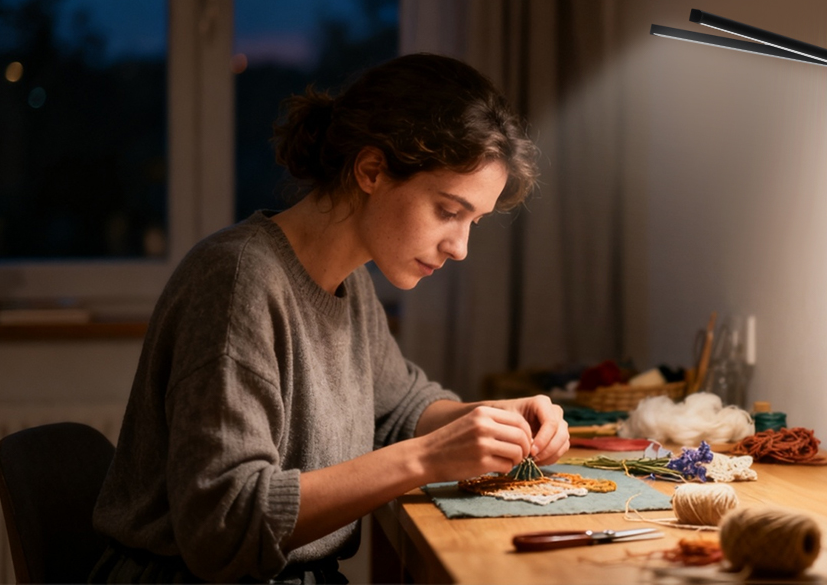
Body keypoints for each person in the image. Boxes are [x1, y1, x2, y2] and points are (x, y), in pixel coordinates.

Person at [90, 53, 569, 584]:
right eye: (448, 211)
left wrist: (499, 418)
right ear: (370, 170)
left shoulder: (351, 281)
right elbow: (224, 523)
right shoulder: (238, 282)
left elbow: (400, 410)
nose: (459, 248)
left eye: (473, 221)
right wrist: (430, 457)